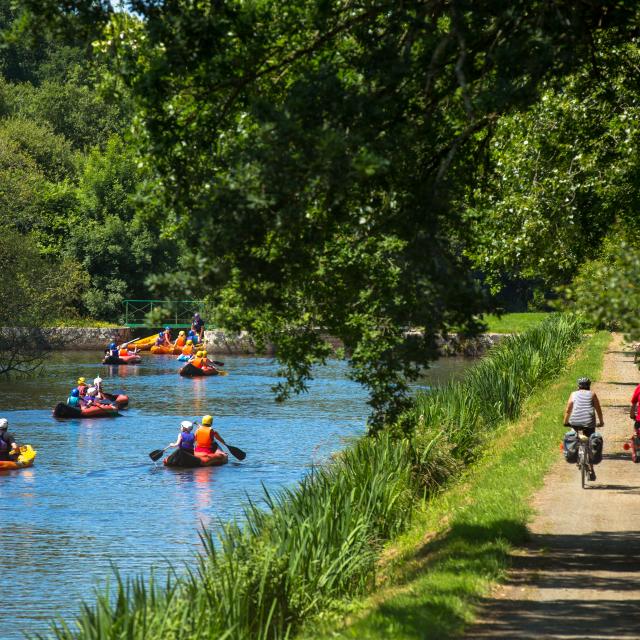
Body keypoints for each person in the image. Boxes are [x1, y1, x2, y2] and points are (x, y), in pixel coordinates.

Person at [563, 377, 604, 481]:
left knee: (575, 437)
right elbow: (598, 409)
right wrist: (601, 422)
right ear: (589, 386)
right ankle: (591, 470)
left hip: (575, 422)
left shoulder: (573, 394)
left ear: (578, 386)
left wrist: (565, 421)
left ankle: (575, 454)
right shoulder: (592, 394)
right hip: (589, 423)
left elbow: (568, 409)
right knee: (589, 442)